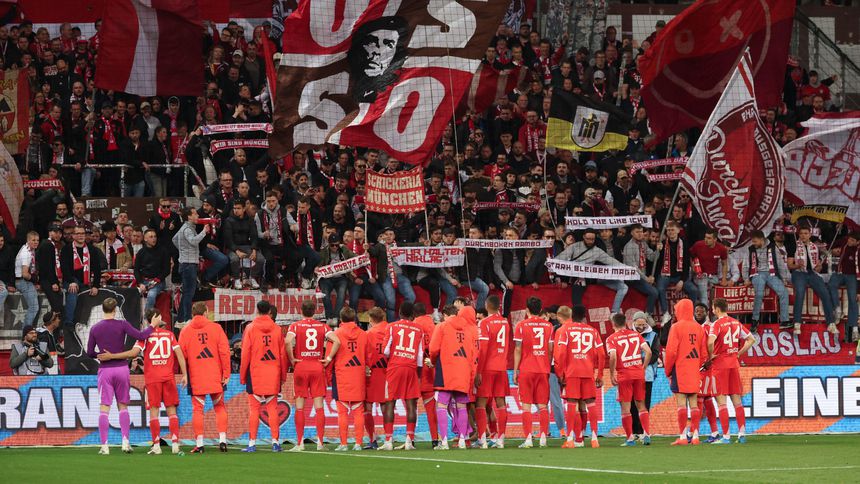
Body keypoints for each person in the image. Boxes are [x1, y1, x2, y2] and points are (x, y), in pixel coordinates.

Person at [86, 298, 159, 454]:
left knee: (104, 408)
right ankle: (125, 442)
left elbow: (90, 352)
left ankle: (104, 446)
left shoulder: (95, 328)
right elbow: (141, 335)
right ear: (115, 310)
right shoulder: (122, 325)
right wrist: (152, 326)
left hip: (105, 370)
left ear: (102, 310)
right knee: (123, 406)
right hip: (121, 368)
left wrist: (101, 355)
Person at [129, 308, 188, 455]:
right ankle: (175, 444)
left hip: (152, 379)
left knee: (154, 412)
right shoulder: (169, 335)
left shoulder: (144, 337)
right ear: (158, 318)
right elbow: (180, 355)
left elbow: (134, 353)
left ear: (148, 320)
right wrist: (185, 374)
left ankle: (156, 446)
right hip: (168, 377)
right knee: (172, 411)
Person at [179, 301, 231, 453]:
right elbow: (224, 352)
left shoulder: (185, 331)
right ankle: (222, 441)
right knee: (220, 407)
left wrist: (184, 373)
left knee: (197, 410)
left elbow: (181, 355)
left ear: (192, 314)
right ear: (206, 313)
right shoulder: (216, 328)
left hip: (196, 377)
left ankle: (200, 444)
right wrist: (226, 373)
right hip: (216, 376)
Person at [286, 300, 335, 452]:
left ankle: (300, 443)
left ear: (301, 311)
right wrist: (328, 358)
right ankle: (320, 443)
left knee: (300, 407)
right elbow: (337, 341)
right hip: (317, 366)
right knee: (319, 406)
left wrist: (292, 358)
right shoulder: (322, 326)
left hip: (301, 366)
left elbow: (287, 341)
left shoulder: (295, 326)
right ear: (314, 311)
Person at [240, 300, 288, 453]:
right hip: (273, 372)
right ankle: (275, 442)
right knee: (272, 408)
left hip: (255, 373)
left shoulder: (250, 328)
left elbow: (245, 353)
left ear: (257, 310)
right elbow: (282, 354)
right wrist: (283, 375)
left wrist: (242, 375)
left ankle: (252, 444)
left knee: (254, 409)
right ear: (269, 312)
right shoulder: (277, 329)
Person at [554, 305, 604, 449]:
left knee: (572, 403)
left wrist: (560, 372)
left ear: (571, 316)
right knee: (590, 403)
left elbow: (561, 353)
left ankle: (571, 439)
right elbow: (601, 354)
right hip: (588, 371)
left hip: (572, 372)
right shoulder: (593, 331)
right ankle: (594, 438)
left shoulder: (565, 330)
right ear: (584, 316)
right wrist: (599, 374)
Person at [429, 304, 478, 450]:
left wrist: (432, 362)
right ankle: (463, 439)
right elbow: (472, 353)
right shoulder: (468, 329)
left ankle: (444, 442)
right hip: (463, 370)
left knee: (442, 405)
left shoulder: (442, 327)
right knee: (462, 406)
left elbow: (433, 349)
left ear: (444, 314)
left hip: (446, 369)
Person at [708, 298, 755, 445]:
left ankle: (726, 436)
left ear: (716, 309)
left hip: (720, 365)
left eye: (713, 308)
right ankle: (742, 434)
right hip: (734, 364)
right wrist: (739, 353)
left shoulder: (716, 324)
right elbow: (752, 339)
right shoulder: (736, 322)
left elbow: (710, 342)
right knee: (737, 401)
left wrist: (711, 355)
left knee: (721, 402)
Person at [381, 301, 424, 451]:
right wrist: (417, 373)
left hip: (395, 367)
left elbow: (385, 351)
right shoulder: (419, 329)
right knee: (411, 405)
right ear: (413, 315)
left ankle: (388, 440)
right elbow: (420, 355)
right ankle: (409, 440)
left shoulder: (392, 327)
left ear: (399, 313)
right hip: (411, 368)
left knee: (390, 403)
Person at [663, 299, 707, 446]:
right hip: (694, 369)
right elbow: (704, 354)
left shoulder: (676, 327)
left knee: (681, 404)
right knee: (694, 404)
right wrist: (697, 367)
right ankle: (695, 436)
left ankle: (682, 436)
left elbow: (671, 352)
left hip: (680, 369)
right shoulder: (699, 328)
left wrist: (668, 370)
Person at [512, 296, 554, 448]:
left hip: (527, 369)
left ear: (527, 310)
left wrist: (516, 370)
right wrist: (546, 364)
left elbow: (517, 348)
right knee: (543, 405)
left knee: (526, 405)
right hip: (542, 369)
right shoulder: (549, 326)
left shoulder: (521, 325)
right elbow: (550, 349)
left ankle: (528, 439)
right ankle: (543, 438)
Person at [606, 312, 652, 447]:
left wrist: (611, 373)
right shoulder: (636, 335)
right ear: (626, 322)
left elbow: (613, 356)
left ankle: (630, 438)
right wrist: (643, 367)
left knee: (625, 408)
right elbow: (648, 352)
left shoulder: (611, 339)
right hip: (638, 374)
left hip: (624, 375)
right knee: (641, 405)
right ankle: (647, 434)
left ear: (613, 324)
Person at [329, 307, 367, 451]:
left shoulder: (336, 334)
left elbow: (330, 357)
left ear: (341, 319)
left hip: (341, 376)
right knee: (358, 411)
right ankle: (358, 443)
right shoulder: (364, 335)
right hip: (358, 375)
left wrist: (327, 375)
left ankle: (344, 444)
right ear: (355, 319)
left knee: (342, 411)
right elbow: (368, 355)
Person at [475, 295, 510, 449]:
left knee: (481, 403)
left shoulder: (484, 323)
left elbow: (483, 349)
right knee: (501, 403)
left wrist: (478, 371)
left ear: (486, 305)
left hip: (488, 367)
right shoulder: (505, 322)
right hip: (501, 367)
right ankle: (501, 439)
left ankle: (482, 440)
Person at [742, 230, 790, 333]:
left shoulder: (773, 247)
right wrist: (746, 278)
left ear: (762, 239)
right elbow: (745, 265)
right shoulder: (750, 249)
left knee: (784, 293)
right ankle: (755, 320)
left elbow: (781, 263)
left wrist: (784, 278)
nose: (753, 244)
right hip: (757, 274)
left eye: (755, 241)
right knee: (759, 295)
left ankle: (784, 321)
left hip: (771, 274)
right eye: (752, 242)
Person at [790, 225, 835, 335]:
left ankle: (831, 323)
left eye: (806, 233)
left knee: (825, 293)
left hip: (813, 273)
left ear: (810, 234)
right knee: (800, 293)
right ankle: (797, 323)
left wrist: (819, 267)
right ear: (798, 235)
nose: (803, 235)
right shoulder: (794, 246)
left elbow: (818, 266)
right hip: (799, 273)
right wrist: (797, 265)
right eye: (801, 234)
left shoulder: (814, 247)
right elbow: (790, 265)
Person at [60, 226, 104, 327]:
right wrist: (71, 281)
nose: (81, 236)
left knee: (91, 298)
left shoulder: (92, 249)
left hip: (85, 281)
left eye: (83, 233)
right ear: (73, 236)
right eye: (78, 234)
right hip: (70, 280)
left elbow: (97, 269)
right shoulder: (66, 249)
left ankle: (90, 325)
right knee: (73, 292)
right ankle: (68, 323)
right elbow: (64, 268)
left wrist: (95, 286)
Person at [173, 207, 211, 323]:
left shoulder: (186, 228)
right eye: (195, 214)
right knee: (189, 293)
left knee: (186, 293)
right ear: (189, 216)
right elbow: (194, 241)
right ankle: (187, 319)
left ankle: (180, 319)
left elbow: (174, 239)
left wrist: (183, 250)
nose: (198, 216)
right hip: (188, 264)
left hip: (187, 263)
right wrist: (204, 231)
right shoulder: (187, 229)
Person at [656, 221, 699, 324]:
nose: (670, 232)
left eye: (672, 230)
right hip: (665, 274)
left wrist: (682, 280)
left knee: (693, 290)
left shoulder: (684, 243)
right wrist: (658, 251)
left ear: (678, 230)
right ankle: (666, 313)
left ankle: (690, 314)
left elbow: (685, 263)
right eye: (668, 230)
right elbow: (657, 262)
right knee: (660, 288)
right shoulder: (661, 243)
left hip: (679, 275)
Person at [412, 302, 440, 447]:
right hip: (430, 370)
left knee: (411, 406)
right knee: (431, 408)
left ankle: (410, 440)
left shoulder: (414, 326)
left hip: (416, 371)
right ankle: (435, 440)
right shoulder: (434, 325)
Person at [223, 199, 265, 290]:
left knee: (261, 259)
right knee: (234, 259)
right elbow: (228, 240)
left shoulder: (250, 220)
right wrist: (237, 252)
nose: (236, 210)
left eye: (238, 208)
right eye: (234, 208)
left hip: (247, 246)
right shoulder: (228, 221)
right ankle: (237, 279)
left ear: (244, 209)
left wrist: (254, 250)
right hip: (233, 247)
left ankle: (252, 278)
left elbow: (254, 237)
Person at [363, 306, 389, 450]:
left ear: (371, 319)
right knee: (386, 407)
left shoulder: (368, 334)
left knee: (367, 407)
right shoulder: (390, 330)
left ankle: (372, 440)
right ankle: (388, 438)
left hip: (372, 373)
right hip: (388, 372)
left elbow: (365, 354)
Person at [317, 233, 356, 325]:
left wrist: (364, 256)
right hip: (326, 278)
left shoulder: (344, 249)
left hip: (341, 278)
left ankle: (336, 317)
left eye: (337, 245)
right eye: (332, 245)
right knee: (325, 295)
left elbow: (355, 257)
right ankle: (329, 317)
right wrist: (317, 268)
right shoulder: (323, 252)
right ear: (328, 244)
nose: (335, 247)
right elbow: (318, 264)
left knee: (341, 295)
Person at [623, 224, 660, 317]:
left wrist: (658, 250)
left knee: (657, 288)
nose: (640, 234)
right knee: (654, 292)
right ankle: (648, 315)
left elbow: (652, 257)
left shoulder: (643, 243)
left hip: (642, 276)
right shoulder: (629, 246)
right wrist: (646, 278)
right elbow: (633, 267)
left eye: (641, 232)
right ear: (632, 233)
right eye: (637, 232)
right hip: (633, 277)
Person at [829, 232, 859, 340]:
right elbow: (831, 244)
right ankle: (837, 308)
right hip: (839, 273)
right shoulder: (844, 242)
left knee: (852, 299)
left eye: (852, 241)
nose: (849, 242)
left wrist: (859, 290)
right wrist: (832, 249)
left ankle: (854, 329)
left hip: (852, 276)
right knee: (831, 284)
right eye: (849, 239)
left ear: (858, 242)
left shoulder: (858, 251)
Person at [689, 229, 729, 305]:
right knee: (704, 293)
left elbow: (724, 264)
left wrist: (724, 279)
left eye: (709, 238)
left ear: (715, 239)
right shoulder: (698, 245)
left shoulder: (721, 248)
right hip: (700, 275)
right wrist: (693, 266)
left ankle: (716, 314)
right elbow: (690, 256)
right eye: (705, 237)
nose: (706, 240)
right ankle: (705, 315)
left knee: (718, 293)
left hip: (714, 276)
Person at [134, 228, 170, 311]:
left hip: (158, 282)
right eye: (151, 237)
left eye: (155, 236)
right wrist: (140, 283)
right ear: (145, 239)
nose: (154, 239)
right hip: (144, 281)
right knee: (132, 294)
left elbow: (167, 270)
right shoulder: (141, 252)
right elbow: (136, 270)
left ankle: (147, 320)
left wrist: (157, 280)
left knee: (151, 294)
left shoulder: (163, 251)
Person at [35, 224, 65, 317]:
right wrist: (53, 282)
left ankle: (57, 329)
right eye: (55, 232)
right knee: (57, 307)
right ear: (49, 232)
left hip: (48, 279)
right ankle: (55, 330)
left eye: (60, 232)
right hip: (47, 280)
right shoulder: (47, 245)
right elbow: (47, 267)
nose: (58, 235)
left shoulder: (49, 244)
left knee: (58, 307)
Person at [14, 231, 41, 327]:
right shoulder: (26, 254)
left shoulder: (28, 249)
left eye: (37, 240)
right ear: (28, 240)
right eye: (33, 240)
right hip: (23, 281)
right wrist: (35, 279)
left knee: (34, 307)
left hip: (23, 281)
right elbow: (25, 274)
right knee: (34, 308)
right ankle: (26, 334)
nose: (36, 242)